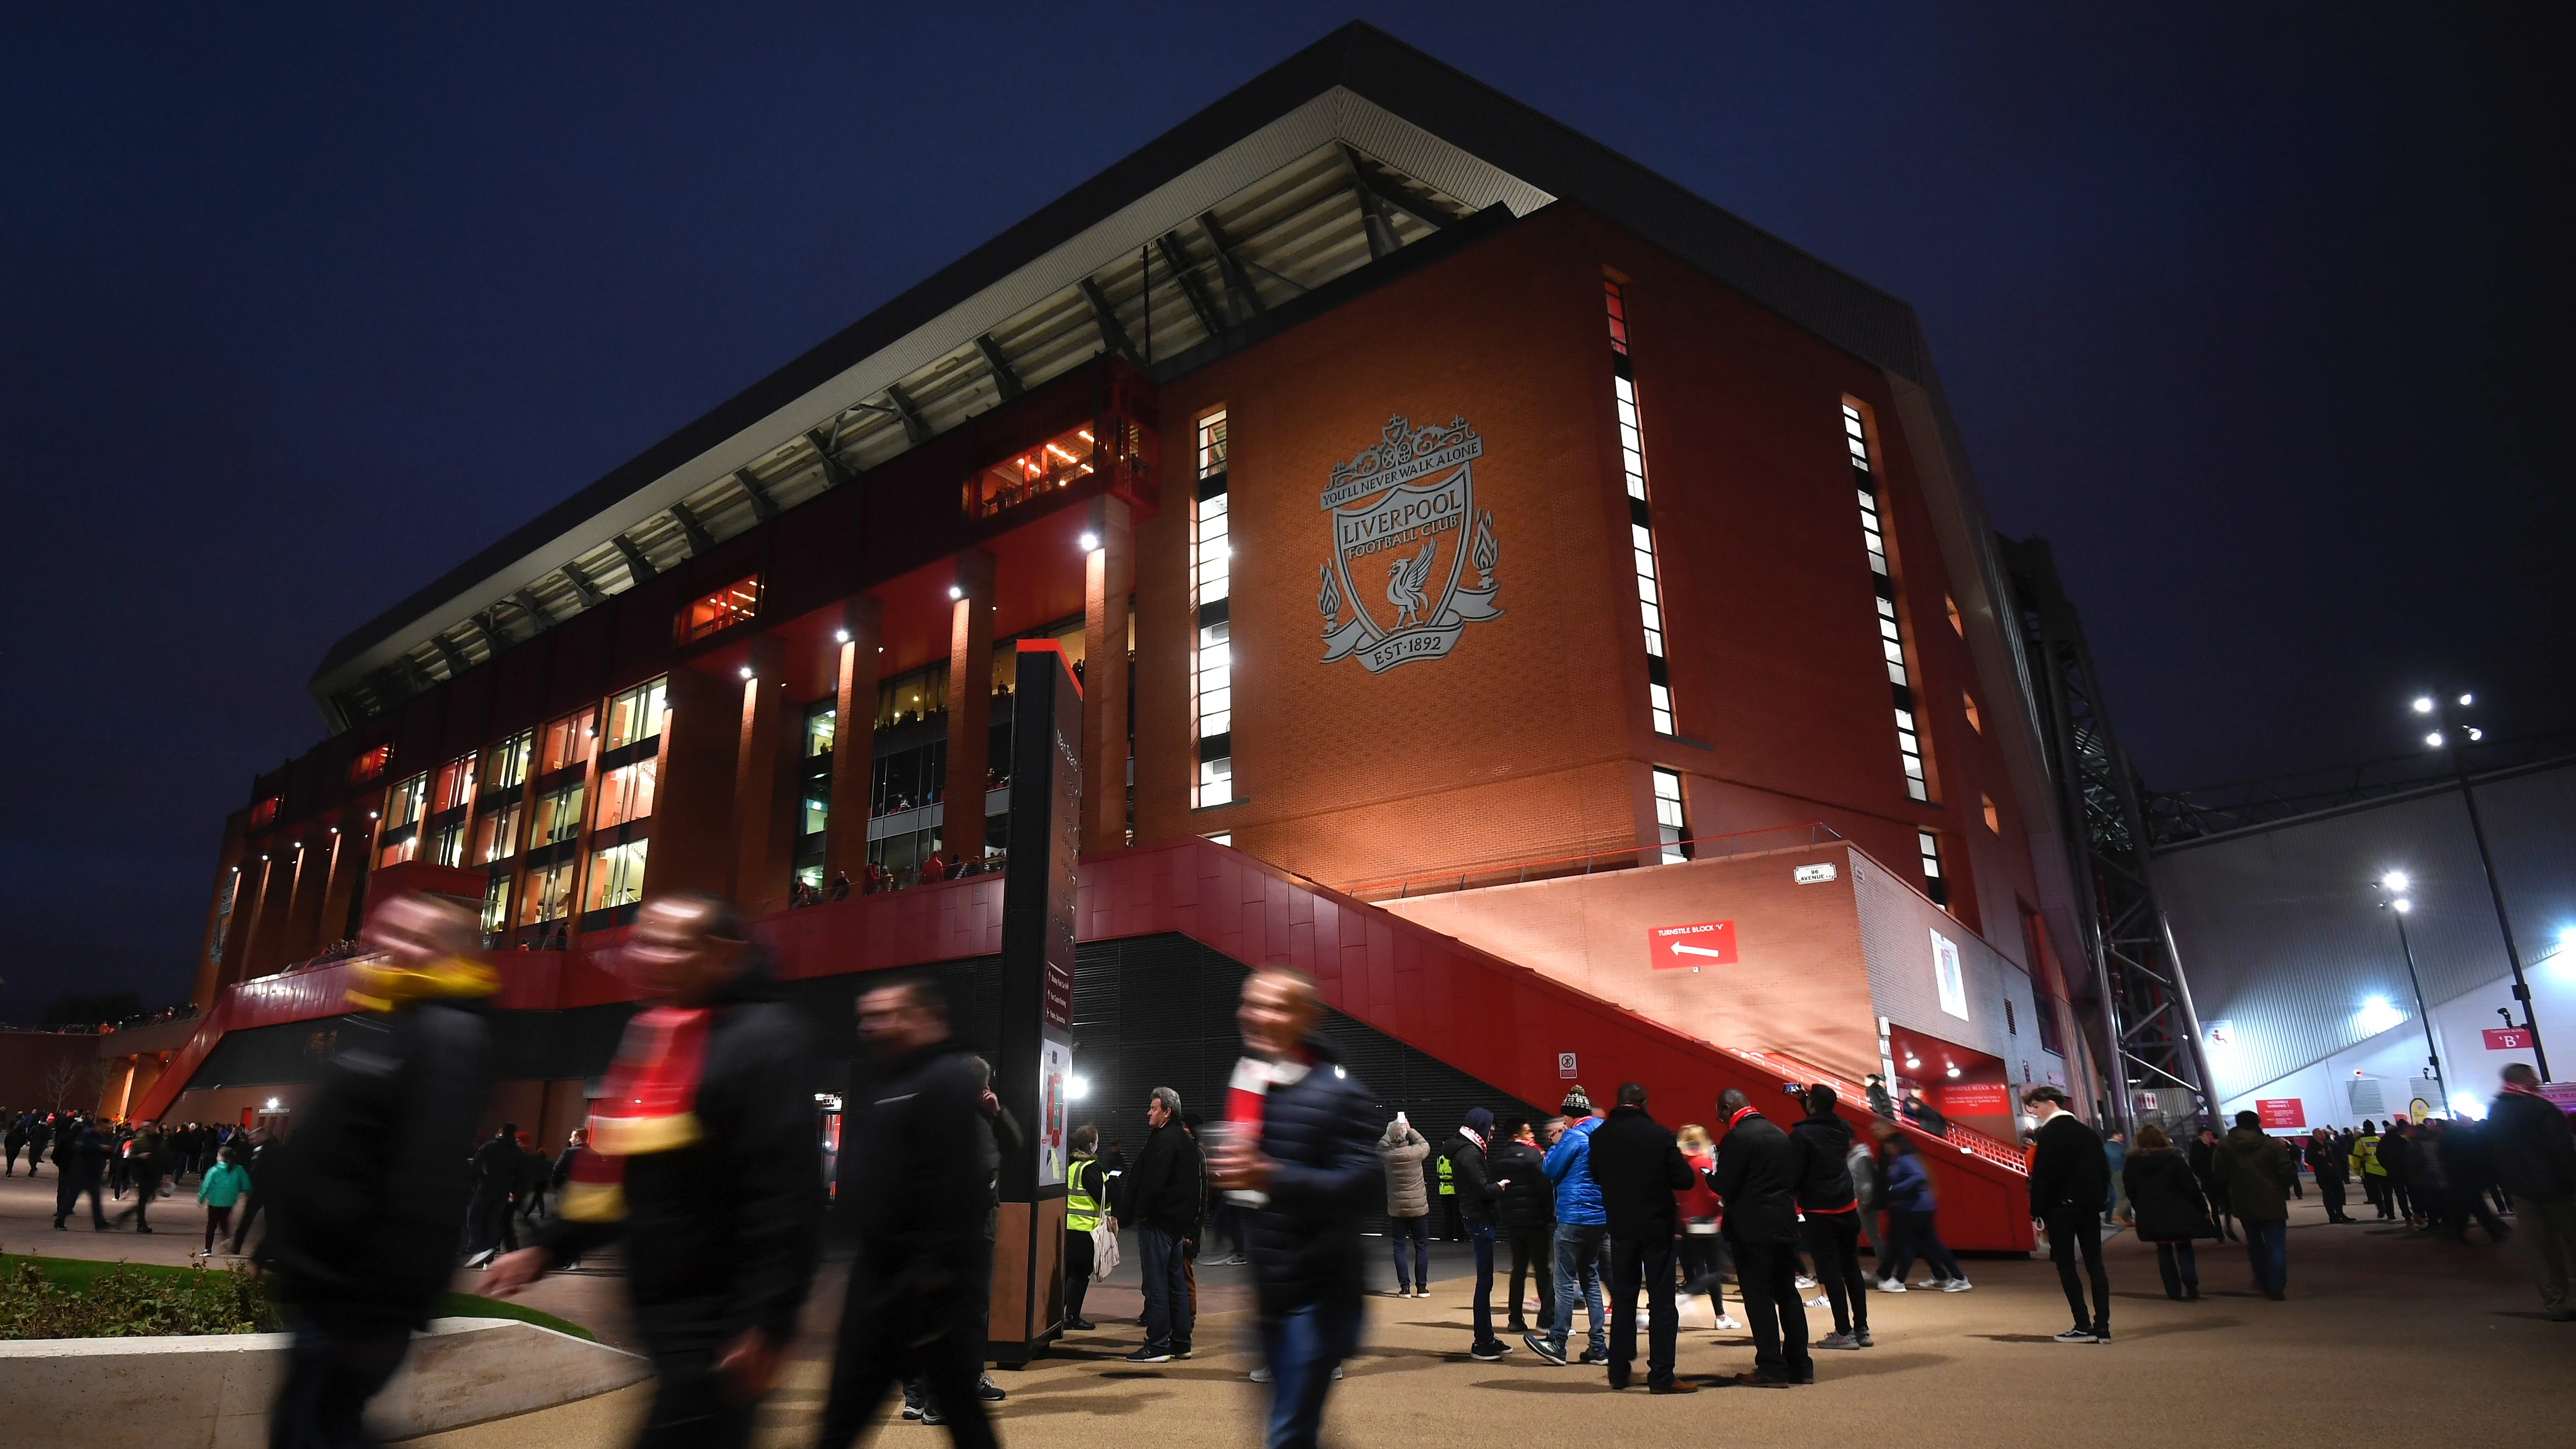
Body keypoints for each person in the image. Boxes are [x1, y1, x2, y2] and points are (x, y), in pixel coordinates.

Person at [487, 893, 823, 1449]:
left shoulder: (765, 1039)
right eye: (646, 941)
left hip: (718, 1316)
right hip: (664, 1311)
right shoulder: (657, 1032)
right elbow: (619, 1172)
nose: (651, 955)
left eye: (674, 944)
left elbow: (785, 1195)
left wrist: (767, 1321)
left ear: (722, 954)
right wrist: (545, 1248)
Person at [260, 889, 498, 1449]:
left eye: (416, 937)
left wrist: (382, 1305)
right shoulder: (396, 1020)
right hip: (329, 1284)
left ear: (451, 951)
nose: (394, 946)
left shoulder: (446, 1034)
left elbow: (427, 1176)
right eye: (388, 933)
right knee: (318, 1425)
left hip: (356, 1298)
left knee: (312, 1429)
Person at [788, 975, 994, 1447]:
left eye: (886, 1015)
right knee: (853, 1415)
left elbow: (962, 1184)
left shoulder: (943, 1082)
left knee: (857, 1415)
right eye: (867, 1016)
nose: (871, 1025)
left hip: (921, 1290)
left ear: (924, 1018)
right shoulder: (890, 1081)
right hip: (884, 1280)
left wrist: (933, 1272)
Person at [1205, 967, 1377, 1449]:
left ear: (1308, 1017)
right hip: (1269, 1293)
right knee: (1294, 1429)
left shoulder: (1341, 1094)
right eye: (1250, 1002)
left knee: (1287, 1433)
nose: (1257, 1015)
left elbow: (1365, 1187)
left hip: (1320, 1296)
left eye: (1276, 1006)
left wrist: (1270, 1176)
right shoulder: (1251, 1083)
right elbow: (1252, 1184)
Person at [1585, 1082, 1696, 1392]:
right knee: (1662, 1302)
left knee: (1623, 1299)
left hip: (1620, 1227)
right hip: (1657, 1228)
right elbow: (1684, 1180)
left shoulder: (1600, 1136)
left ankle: (1619, 1372)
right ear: (1643, 1103)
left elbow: (1595, 1175)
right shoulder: (1660, 1135)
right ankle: (1661, 1375)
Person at [1711, 1087, 1809, 1387]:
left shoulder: (1737, 1138)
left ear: (1729, 1108)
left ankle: (1771, 1367)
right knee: (1788, 1294)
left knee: (1759, 1297)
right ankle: (1800, 1366)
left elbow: (1726, 1185)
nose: (1721, 1120)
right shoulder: (1779, 1134)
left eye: (1721, 1114)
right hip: (1783, 1223)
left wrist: (1708, 1176)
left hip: (1751, 1228)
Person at [1526, 1087, 1610, 1367]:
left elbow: (1550, 1170)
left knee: (1563, 1280)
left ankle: (1558, 1342)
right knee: (1591, 1279)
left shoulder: (1574, 1136)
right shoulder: (1604, 1133)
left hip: (1573, 1217)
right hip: (1599, 1218)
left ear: (1570, 1116)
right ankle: (1598, 1345)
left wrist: (1554, 1146)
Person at [2488, 1063, 2576, 1320]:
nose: (2537, 1080)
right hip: (2554, 1187)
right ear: (2525, 1078)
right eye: (2533, 1076)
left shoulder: (2497, 1110)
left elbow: (2493, 1151)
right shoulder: (2540, 1108)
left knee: (2541, 1248)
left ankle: (2556, 1303)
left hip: (2521, 1190)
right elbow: (2561, 1149)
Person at [1789, 1085, 1873, 1349]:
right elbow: (1822, 1122)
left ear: (1813, 1104)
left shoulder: (1800, 1135)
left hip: (1819, 1211)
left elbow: (1795, 1171)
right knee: (1851, 1269)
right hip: (1847, 1206)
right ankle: (1862, 1329)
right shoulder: (1843, 1128)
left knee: (1830, 1271)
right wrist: (1806, 1101)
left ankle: (1843, 1332)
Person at [2024, 1086, 2109, 1343]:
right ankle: (2102, 1327)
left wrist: (2037, 1213)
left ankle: (2082, 1325)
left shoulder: (2048, 1135)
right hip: (2089, 1207)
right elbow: (2102, 1171)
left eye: (2036, 1107)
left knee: (2066, 1265)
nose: (2035, 1113)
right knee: (2095, 1264)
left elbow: (2044, 1177)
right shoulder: (2087, 1133)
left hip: (2061, 1209)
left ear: (2050, 1103)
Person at [1125, 1085, 1203, 1363]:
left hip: (1158, 1224)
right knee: (1176, 1283)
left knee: (1156, 1284)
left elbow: (1151, 1183)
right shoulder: (1185, 1143)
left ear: (1166, 1112)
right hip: (1176, 1226)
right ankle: (1181, 1343)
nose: (1149, 1112)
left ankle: (1158, 1344)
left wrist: (1141, 1213)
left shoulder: (1163, 1141)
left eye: (1154, 1108)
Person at [1439, 1107, 1508, 1358]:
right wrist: (1499, 1188)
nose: (1492, 1135)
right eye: (1490, 1129)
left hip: (1475, 1218)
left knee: (1486, 1282)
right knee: (1485, 1283)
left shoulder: (1464, 1149)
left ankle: (1487, 1337)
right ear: (1480, 1126)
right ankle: (1482, 1342)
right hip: (1480, 1221)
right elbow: (1483, 1188)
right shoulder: (1470, 1153)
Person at [2121, 1124, 2212, 1300]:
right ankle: (2190, 1280)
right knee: (2184, 1246)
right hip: (2179, 1209)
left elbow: (2130, 1188)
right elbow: (2190, 1186)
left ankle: (2173, 1290)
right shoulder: (2174, 1159)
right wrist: (2202, 1207)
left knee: (2164, 1250)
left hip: (2152, 1212)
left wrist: (2139, 1206)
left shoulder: (2133, 1162)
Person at [2210, 1110, 2294, 1299]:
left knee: (2255, 1244)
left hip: (2244, 1201)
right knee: (2276, 1245)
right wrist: (2279, 1188)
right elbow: (2287, 1172)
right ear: (2258, 1122)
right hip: (2272, 1201)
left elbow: (2219, 1175)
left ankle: (2263, 1279)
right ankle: (2277, 1287)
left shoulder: (2225, 1146)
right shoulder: (2271, 1145)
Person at [1493, 1115, 1556, 1337]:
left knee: (1518, 1269)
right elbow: (1544, 1187)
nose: (1532, 1135)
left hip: (1512, 1221)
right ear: (1517, 1135)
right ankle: (1548, 1319)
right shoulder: (1534, 1155)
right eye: (1528, 1131)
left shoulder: (1499, 1158)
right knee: (1542, 1269)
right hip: (1536, 1220)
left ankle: (1515, 1318)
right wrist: (1549, 1213)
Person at [1673, 1123, 1738, 1331]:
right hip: (1709, 1220)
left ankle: (1720, 1315)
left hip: (1688, 1220)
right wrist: (1723, 1202)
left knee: (1712, 1268)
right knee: (1719, 1270)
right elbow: (1712, 1192)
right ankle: (1686, 1299)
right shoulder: (1703, 1161)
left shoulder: (1681, 1163)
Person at [1378, 1113, 1432, 1297]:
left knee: (1399, 1247)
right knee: (1422, 1246)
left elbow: (1381, 1144)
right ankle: (1422, 1287)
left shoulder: (1387, 1155)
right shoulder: (1416, 1152)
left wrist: (1390, 1131)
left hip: (1397, 1209)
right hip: (1419, 1207)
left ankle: (1405, 1288)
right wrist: (1409, 1129)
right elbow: (1425, 1144)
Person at [1064, 1124, 1107, 1332]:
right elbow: (1104, 1199)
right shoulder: (1089, 1169)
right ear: (1091, 1145)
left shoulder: (1071, 1167)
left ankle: (1060, 1314)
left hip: (1068, 1229)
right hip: (1084, 1231)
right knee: (1080, 1275)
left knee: (1069, 1274)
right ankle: (1072, 1316)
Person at [464, 1123, 522, 1264]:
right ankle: (489, 1254)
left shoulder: (490, 1146)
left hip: (487, 1187)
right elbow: (520, 1172)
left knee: (473, 1217)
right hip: (504, 1190)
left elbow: (476, 1165)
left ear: (500, 1132)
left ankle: (480, 1249)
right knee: (493, 1221)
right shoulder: (516, 1150)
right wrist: (513, 1190)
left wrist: (481, 1179)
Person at [52, 1115, 110, 1231]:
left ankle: (100, 1223)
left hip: (93, 1174)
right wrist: (99, 1148)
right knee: (71, 1200)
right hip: (80, 1174)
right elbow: (81, 1149)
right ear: (98, 1126)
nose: (105, 1130)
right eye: (104, 1128)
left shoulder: (99, 1137)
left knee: (96, 1200)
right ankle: (59, 1221)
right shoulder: (87, 1135)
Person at [196, 1144, 251, 1259]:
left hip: (215, 1201)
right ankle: (229, 1242)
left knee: (211, 1225)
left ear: (221, 1157)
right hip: (230, 1201)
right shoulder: (239, 1169)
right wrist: (248, 1193)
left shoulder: (214, 1170)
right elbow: (246, 1183)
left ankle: (208, 1249)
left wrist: (201, 1198)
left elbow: (206, 1185)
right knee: (224, 1221)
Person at [2191, 1126, 2241, 1239]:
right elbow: (2194, 1165)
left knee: (2228, 1205)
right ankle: (2219, 1231)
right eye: (2207, 1135)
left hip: (2221, 1180)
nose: (2210, 1137)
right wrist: (2203, 1177)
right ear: (2201, 1137)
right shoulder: (2197, 1148)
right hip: (2208, 1181)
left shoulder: (2217, 1147)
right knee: (2214, 1206)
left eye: (2211, 1134)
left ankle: (2228, 1227)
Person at [2307, 1126, 2354, 1223]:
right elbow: (2309, 1159)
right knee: (2329, 1194)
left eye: (2323, 1133)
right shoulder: (2312, 1146)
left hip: (2334, 1172)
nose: (2323, 1134)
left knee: (2339, 1192)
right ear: (2315, 1135)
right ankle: (2333, 1216)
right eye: (2320, 1133)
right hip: (2323, 1174)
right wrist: (2319, 1158)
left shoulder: (2327, 1144)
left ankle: (2340, 1213)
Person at [2352, 1119, 2389, 1219]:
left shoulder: (2361, 1142)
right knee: (2387, 1192)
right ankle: (2391, 1213)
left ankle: (2381, 1208)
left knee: (2375, 1192)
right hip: (2383, 1169)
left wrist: (2357, 1171)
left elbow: (2356, 1158)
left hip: (2370, 1170)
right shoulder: (2379, 1139)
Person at [2102, 1131, 2130, 1225]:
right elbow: (2127, 1158)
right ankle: (2120, 1215)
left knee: (2113, 1197)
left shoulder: (2104, 1147)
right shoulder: (2120, 1147)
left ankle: (2109, 1218)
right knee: (2126, 1195)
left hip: (2108, 1174)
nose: (2122, 1137)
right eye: (2120, 1135)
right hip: (2119, 1173)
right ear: (2115, 1136)